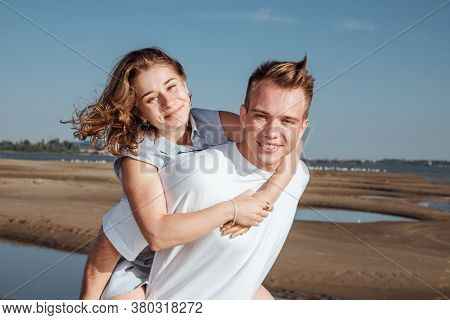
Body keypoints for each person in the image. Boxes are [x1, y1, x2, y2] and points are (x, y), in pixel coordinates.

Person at [69, 48, 299, 300]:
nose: (168, 102)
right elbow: (148, 236)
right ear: (137, 110)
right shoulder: (139, 157)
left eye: (171, 87)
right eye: (150, 98)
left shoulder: (216, 123)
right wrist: (234, 209)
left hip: (201, 255)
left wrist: (267, 196)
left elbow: (284, 141)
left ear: (185, 83)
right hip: (143, 263)